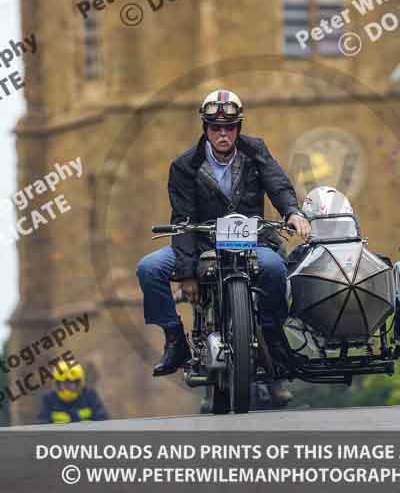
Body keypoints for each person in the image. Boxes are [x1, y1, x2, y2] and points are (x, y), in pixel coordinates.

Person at [136, 89, 310, 381]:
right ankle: (175, 340)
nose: (223, 134)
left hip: (253, 243)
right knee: (149, 269)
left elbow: (278, 184)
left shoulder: (256, 150)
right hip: (201, 244)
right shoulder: (184, 166)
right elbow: (182, 221)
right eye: (215, 128)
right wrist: (188, 272)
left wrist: (292, 211)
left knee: (274, 268)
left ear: (237, 128)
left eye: (229, 127)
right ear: (205, 129)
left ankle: (273, 335)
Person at [38, 360, 108, 424]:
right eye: (63, 383)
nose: (67, 386)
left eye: (70, 382)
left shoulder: (90, 396)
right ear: (58, 384)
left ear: (78, 383)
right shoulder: (48, 399)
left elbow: (103, 420)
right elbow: (42, 424)